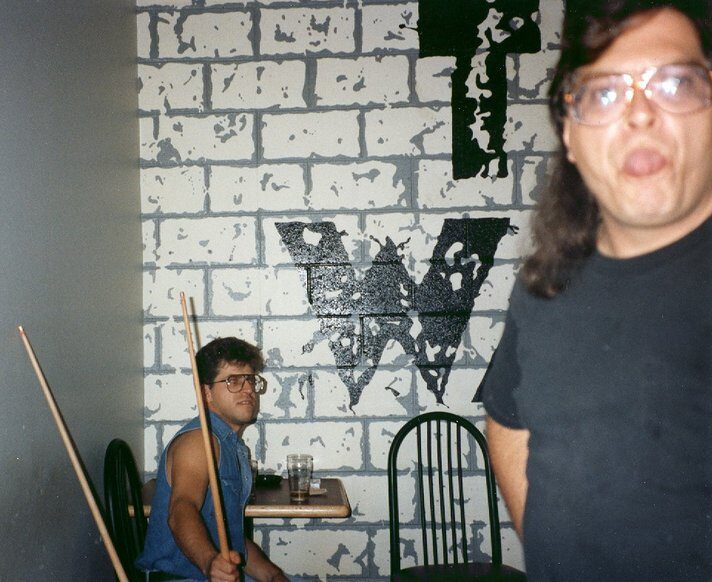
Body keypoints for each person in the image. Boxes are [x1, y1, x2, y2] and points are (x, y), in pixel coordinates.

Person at [478, 1, 712, 579]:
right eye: (604, 93)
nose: (640, 114)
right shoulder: (545, 286)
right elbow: (507, 418)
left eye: (675, 83)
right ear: (570, 134)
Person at [136, 337, 288, 582]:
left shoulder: (231, 445)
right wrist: (210, 563)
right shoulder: (199, 441)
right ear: (206, 393)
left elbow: (231, 541)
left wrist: (274, 575)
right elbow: (182, 509)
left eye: (250, 379)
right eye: (233, 381)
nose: (248, 389)